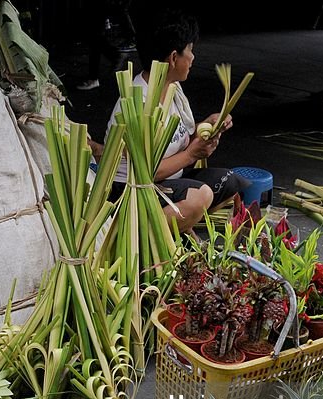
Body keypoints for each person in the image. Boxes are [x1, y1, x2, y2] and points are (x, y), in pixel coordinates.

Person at [104, 11, 250, 233]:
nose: (192, 58)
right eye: (190, 50)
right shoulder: (139, 103)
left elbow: (181, 139)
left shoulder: (172, 88)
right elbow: (146, 173)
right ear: (173, 58)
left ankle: (178, 222)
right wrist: (192, 154)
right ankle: (137, 235)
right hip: (132, 190)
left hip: (172, 182)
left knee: (230, 182)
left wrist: (208, 127)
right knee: (200, 197)